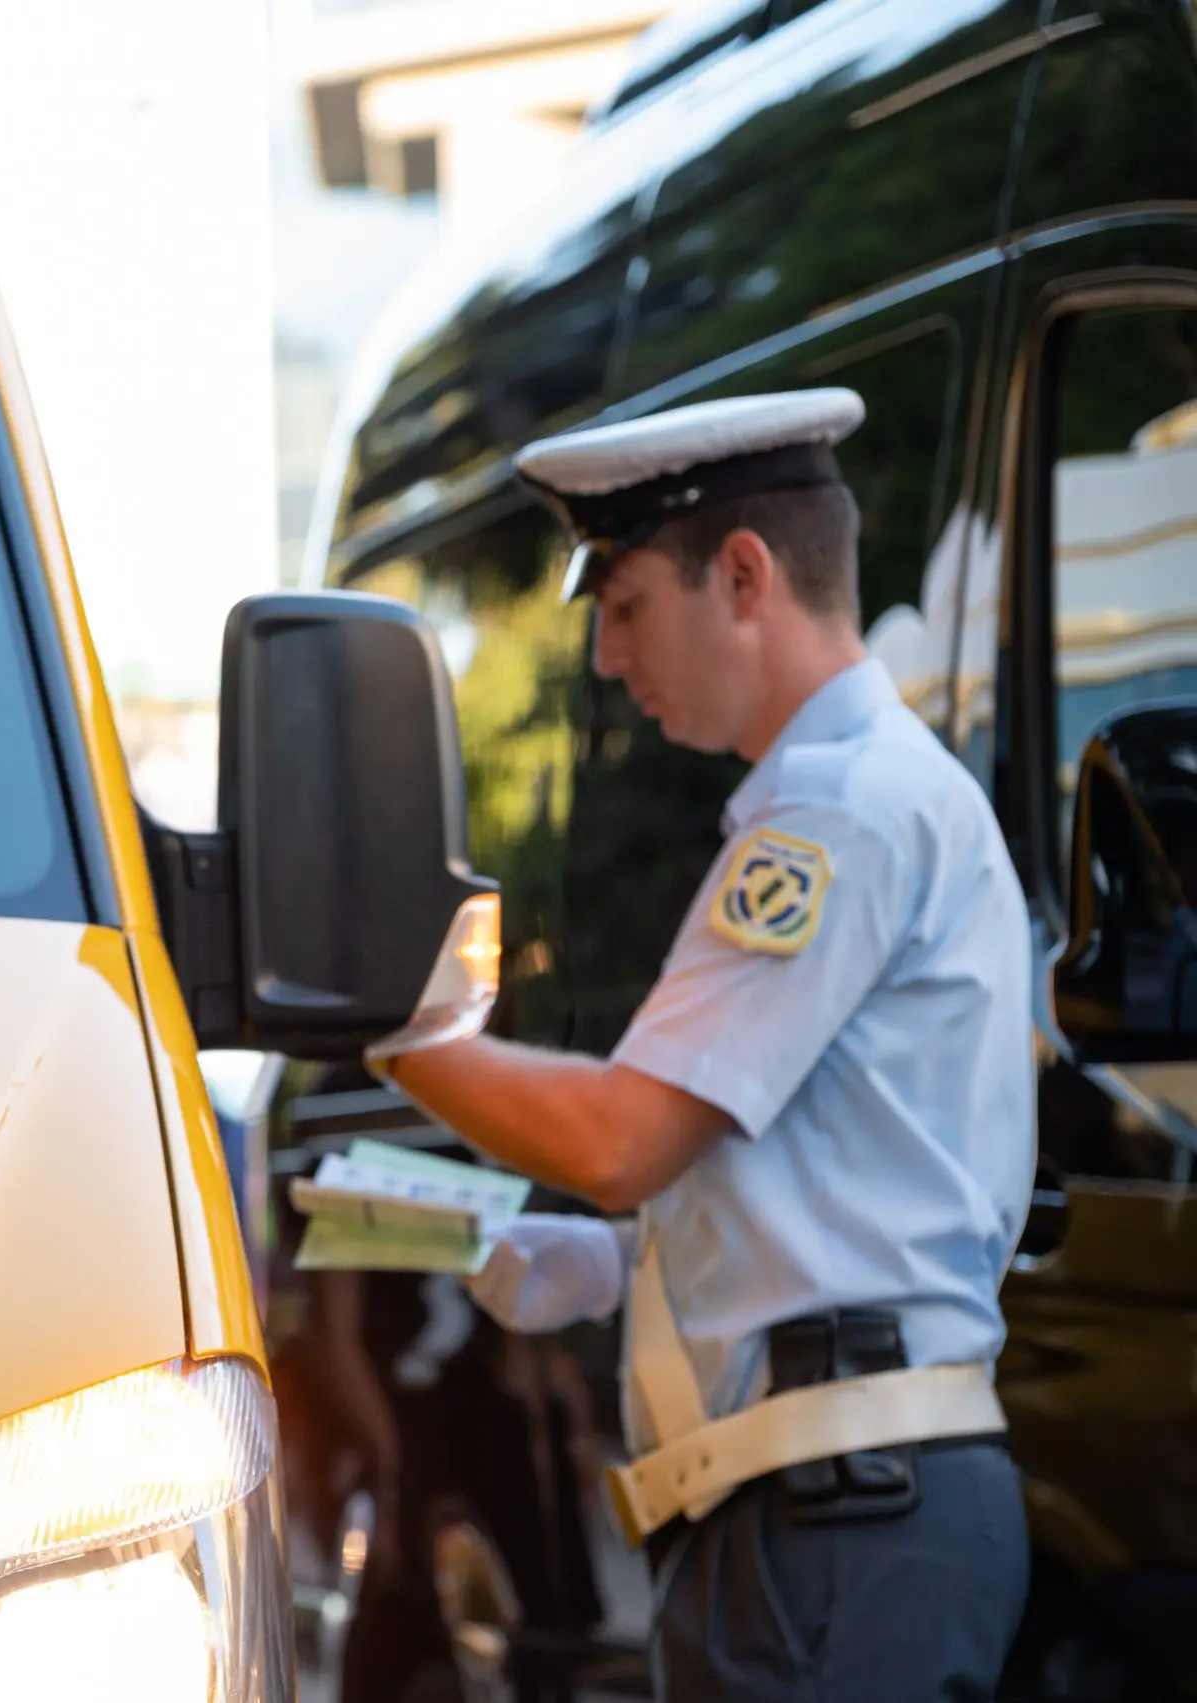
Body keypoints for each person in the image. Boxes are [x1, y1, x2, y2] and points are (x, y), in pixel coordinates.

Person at [366, 388, 1036, 1700]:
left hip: (839, 1516)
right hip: (829, 1507)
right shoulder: (853, 797)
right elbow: (846, 1178)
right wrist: (631, 1263)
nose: (608, 660)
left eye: (624, 606)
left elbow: (622, 1141)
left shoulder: (837, 812)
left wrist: (383, 1027)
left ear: (742, 575)